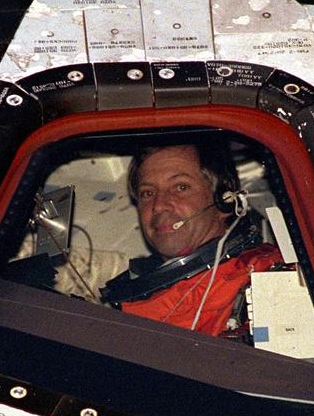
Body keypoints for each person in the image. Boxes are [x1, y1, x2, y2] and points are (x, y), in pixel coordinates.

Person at [100, 139, 284, 337]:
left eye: (180, 187)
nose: (159, 205)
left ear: (224, 201)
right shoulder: (130, 307)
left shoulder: (271, 279)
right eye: (148, 193)